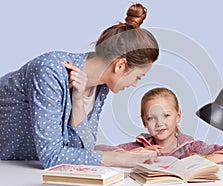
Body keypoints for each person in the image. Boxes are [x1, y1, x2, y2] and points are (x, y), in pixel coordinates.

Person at [0, 3, 159, 169]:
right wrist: (120, 159)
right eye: (137, 77)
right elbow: (52, 156)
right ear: (120, 66)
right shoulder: (49, 71)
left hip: (14, 168)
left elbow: (84, 148)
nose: (134, 84)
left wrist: (78, 103)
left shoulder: (101, 87)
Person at [95, 87, 223, 164]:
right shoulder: (137, 148)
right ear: (144, 122)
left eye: (166, 116)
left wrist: (205, 160)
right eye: (151, 118)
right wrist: (133, 154)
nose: (160, 123)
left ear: (178, 116)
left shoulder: (192, 147)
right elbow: (97, 150)